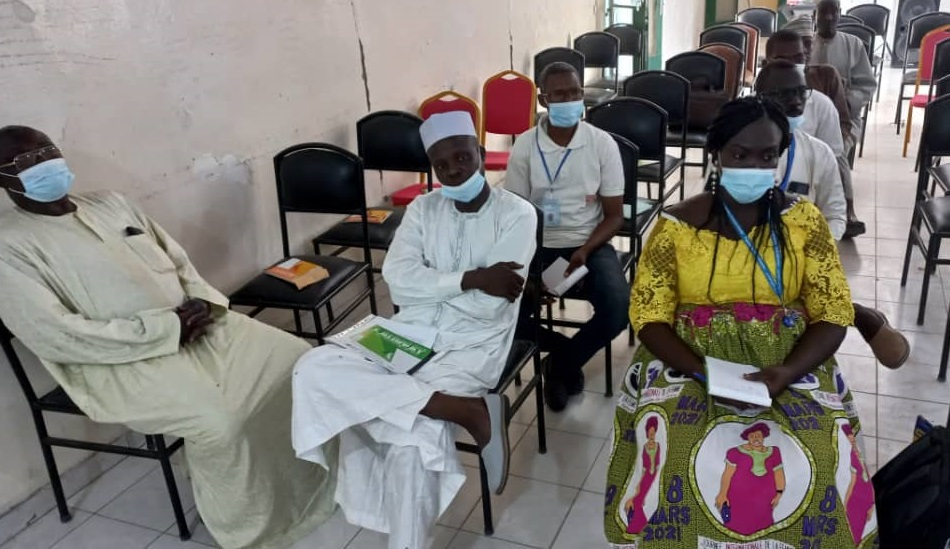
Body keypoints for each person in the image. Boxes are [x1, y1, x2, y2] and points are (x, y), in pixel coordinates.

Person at [0, 126, 336, 549]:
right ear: (3, 178)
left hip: (198, 323)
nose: (42, 164)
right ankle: (251, 525)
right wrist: (165, 330)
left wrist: (201, 301)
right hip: (120, 360)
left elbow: (178, 260)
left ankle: (313, 481)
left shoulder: (109, 203)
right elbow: (55, 335)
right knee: (224, 423)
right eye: (24, 162)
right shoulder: (7, 246)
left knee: (299, 359)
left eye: (47, 151)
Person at [603, 97, 878, 547]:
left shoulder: (804, 223)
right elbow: (649, 317)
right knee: (679, 451)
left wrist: (787, 373)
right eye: (740, 154)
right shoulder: (674, 226)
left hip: (790, 359)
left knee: (823, 452)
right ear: (718, 155)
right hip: (689, 358)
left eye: (767, 155)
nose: (754, 165)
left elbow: (832, 312)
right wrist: (702, 371)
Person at [291, 111, 536, 549]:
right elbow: (397, 281)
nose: (454, 170)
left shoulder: (518, 214)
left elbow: (486, 308)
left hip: (471, 346)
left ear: (480, 153)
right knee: (312, 366)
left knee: (408, 447)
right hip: (407, 331)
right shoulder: (423, 208)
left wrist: (442, 287)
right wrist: (472, 277)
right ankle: (464, 410)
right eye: (442, 165)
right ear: (433, 168)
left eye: (462, 157)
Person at [755, 61, 910, 369]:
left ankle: (853, 313)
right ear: (759, 97)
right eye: (785, 94)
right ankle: (853, 311)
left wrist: (815, 247)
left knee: (804, 300)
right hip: (749, 249)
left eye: (801, 91)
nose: (797, 101)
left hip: (802, 255)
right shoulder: (740, 148)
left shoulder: (818, 153)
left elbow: (837, 215)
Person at [505, 61, 628, 412]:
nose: (571, 100)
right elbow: (515, 215)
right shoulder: (526, 146)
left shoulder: (601, 143)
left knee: (618, 309)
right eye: (560, 94)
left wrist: (586, 250)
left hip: (588, 243)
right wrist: (529, 269)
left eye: (575, 92)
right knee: (504, 316)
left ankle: (560, 367)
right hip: (538, 245)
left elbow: (615, 215)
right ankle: (563, 354)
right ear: (544, 99)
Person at [768, 25, 866, 238]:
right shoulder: (741, 122)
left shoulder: (820, 109)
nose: (792, 65)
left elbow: (833, 210)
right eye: (783, 59)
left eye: (798, 58)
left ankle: (852, 210)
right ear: (768, 64)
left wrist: (819, 248)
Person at [811, 0, 877, 129]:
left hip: (845, 117)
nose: (829, 17)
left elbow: (866, 86)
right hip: (809, 115)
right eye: (823, 12)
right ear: (814, 15)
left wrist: (845, 104)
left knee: (834, 147)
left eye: (834, 12)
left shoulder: (854, 44)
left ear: (839, 14)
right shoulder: (804, 45)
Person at [714, 422, 786, 536]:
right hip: (738, 500)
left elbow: (779, 473)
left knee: (763, 526)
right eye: (752, 436)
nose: (755, 438)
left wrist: (779, 493)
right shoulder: (734, 452)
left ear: (763, 436)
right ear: (747, 438)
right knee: (736, 526)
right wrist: (722, 494)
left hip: (764, 501)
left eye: (758, 435)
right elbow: (727, 474)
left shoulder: (775, 452)